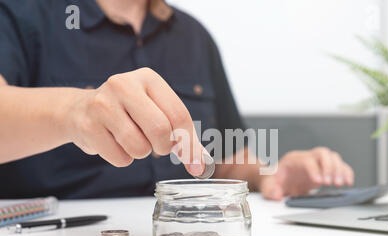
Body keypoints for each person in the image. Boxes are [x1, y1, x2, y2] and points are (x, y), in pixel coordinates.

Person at [0, 0, 354, 200]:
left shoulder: (194, 36)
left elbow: (227, 162)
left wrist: (271, 174)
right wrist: (74, 111)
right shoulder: (21, 14)